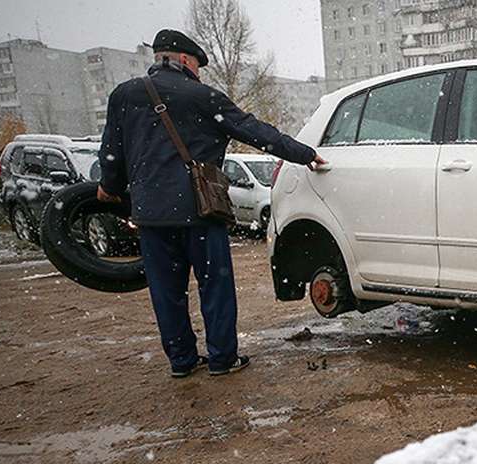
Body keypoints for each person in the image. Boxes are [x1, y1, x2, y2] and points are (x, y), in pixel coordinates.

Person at [97, 29, 325, 377]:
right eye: (198, 66)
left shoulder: (124, 95)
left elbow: (111, 152)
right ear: (186, 60)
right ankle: (221, 358)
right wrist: (305, 154)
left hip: (151, 217)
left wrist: (109, 188)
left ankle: (181, 361)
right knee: (214, 288)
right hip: (200, 210)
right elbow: (257, 133)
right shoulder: (201, 95)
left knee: (166, 293)